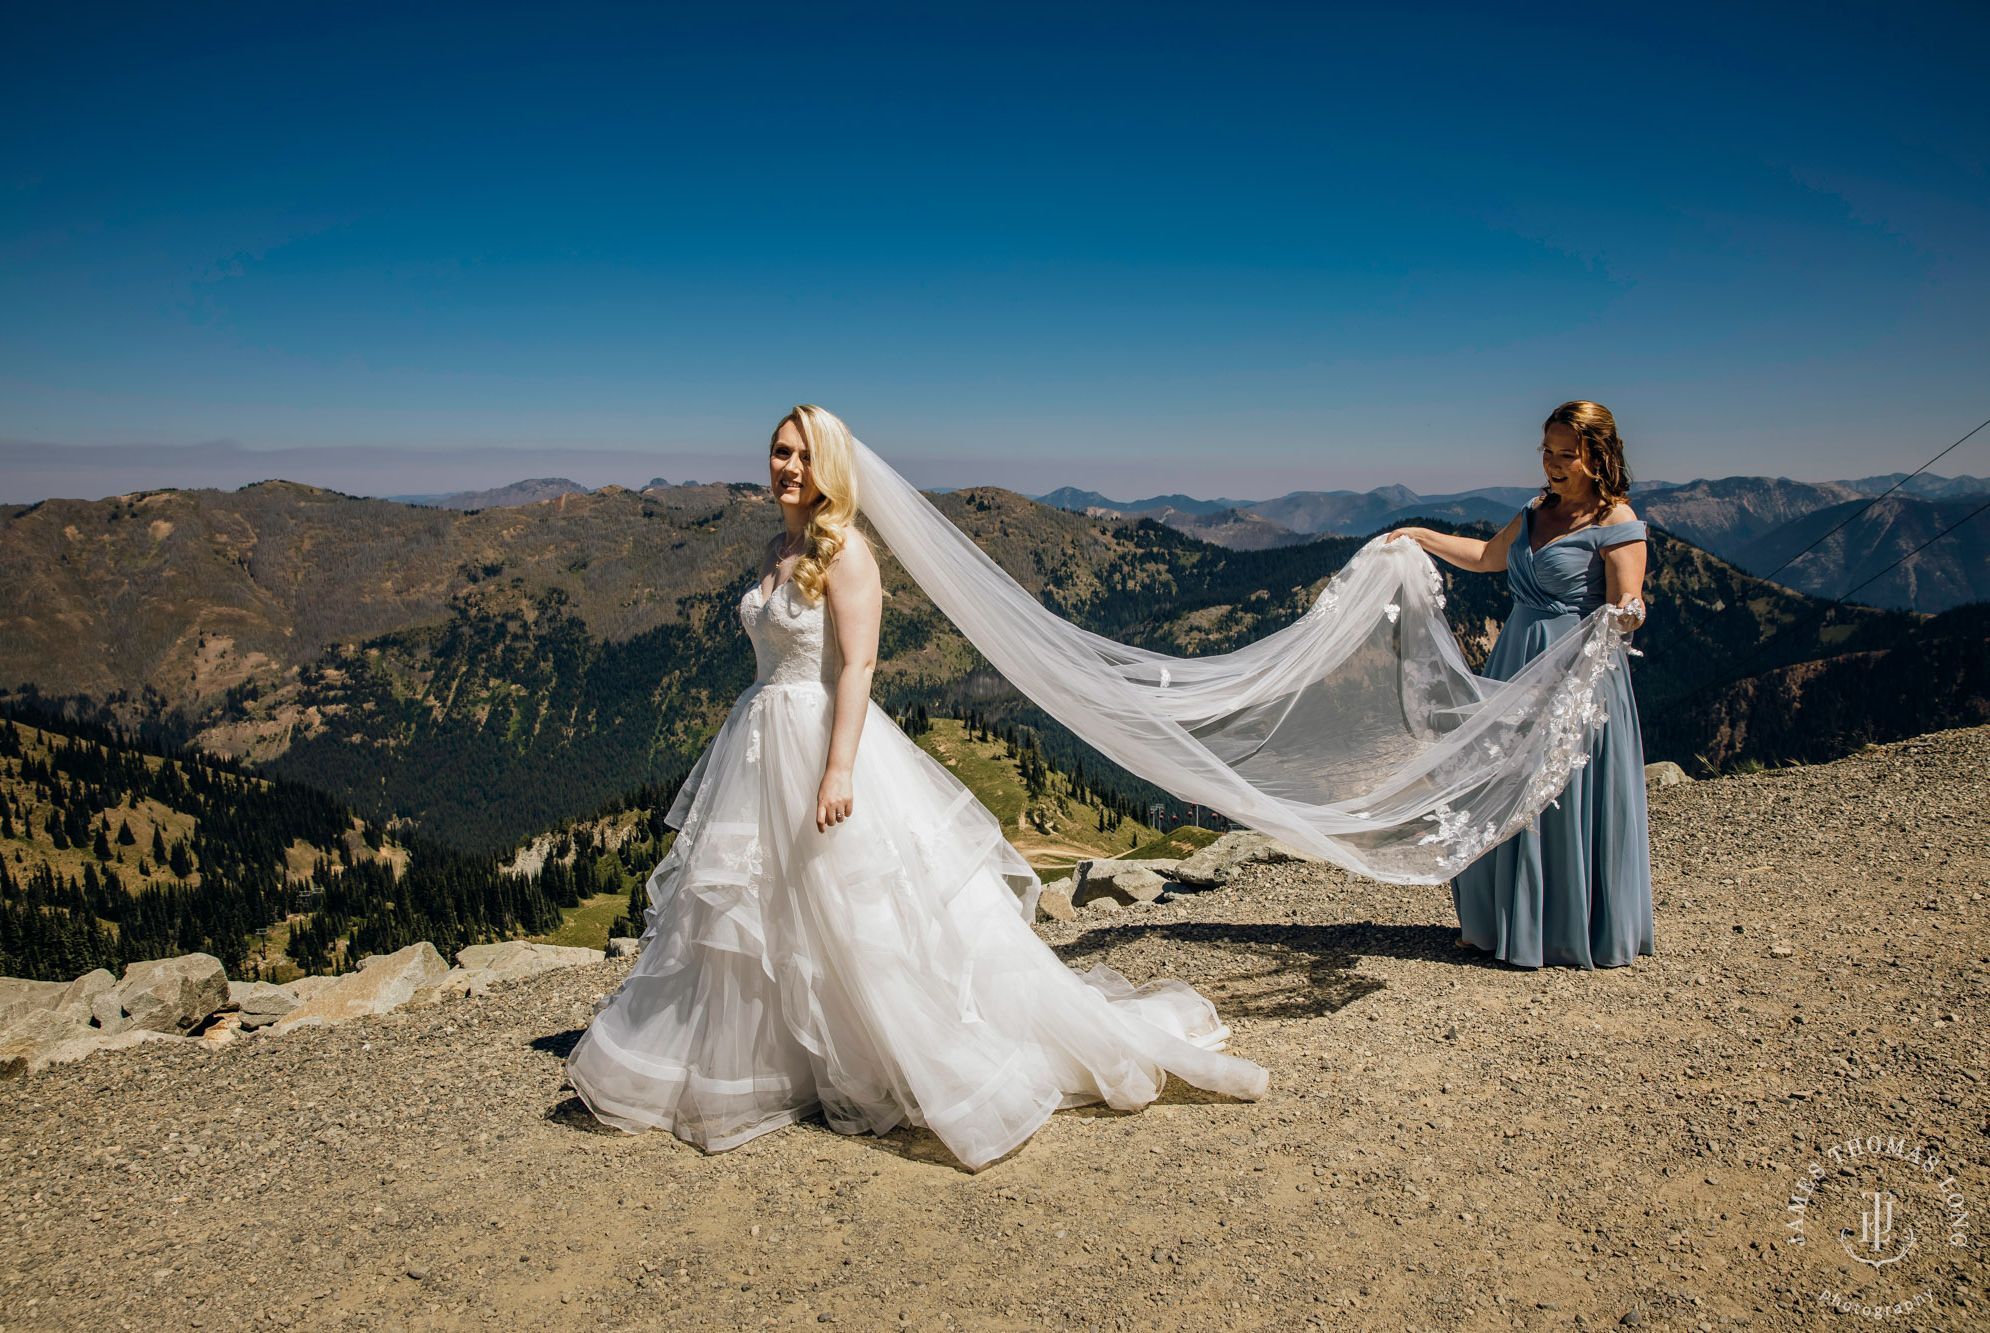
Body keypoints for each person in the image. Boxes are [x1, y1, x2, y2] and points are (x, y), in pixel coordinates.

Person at [566, 405, 1268, 1171]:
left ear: (828, 464)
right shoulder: (777, 547)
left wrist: (838, 767)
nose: (787, 467)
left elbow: (859, 666)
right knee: (765, 903)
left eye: (802, 455)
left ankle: (897, 1051)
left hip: (823, 738)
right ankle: (783, 1058)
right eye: (778, 452)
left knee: (852, 906)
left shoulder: (846, 552)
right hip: (760, 740)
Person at [1387, 400, 1654, 969]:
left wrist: (1630, 612)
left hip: (1576, 671)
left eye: (1567, 455)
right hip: (1515, 662)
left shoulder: (1615, 521)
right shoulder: (1536, 509)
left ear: (1597, 456)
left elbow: (1626, 599)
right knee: (1503, 779)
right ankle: (1502, 922)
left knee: (1558, 790)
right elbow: (1487, 557)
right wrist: (1419, 535)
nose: (1553, 465)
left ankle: (1563, 929)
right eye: (1547, 452)